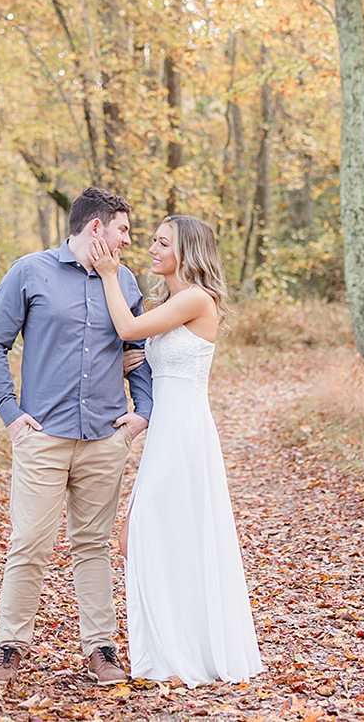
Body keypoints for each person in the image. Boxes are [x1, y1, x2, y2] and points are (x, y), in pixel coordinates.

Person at [0, 187, 153, 685]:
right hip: (43, 436)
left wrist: (144, 411)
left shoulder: (126, 281)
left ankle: (101, 649)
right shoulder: (29, 272)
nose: (127, 239)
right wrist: (10, 413)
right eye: (122, 230)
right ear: (95, 228)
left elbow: (137, 348)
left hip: (104, 436)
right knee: (29, 541)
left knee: (93, 545)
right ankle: (10, 647)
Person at [90, 215, 263, 686]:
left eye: (162, 243)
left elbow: (126, 327)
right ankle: (171, 644)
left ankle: (181, 648)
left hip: (184, 429)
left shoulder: (194, 298)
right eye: (152, 241)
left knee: (145, 524)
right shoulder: (174, 302)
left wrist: (108, 274)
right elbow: (150, 351)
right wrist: (142, 358)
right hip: (167, 426)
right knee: (161, 530)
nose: (151, 248)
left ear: (186, 252)